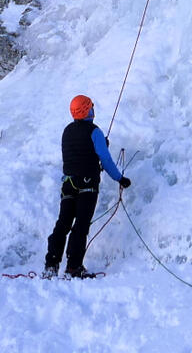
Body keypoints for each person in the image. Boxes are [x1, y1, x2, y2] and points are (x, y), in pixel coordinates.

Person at [45, 94, 130, 278]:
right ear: (88, 110)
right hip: (88, 185)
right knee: (81, 226)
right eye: (91, 106)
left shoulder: (67, 131)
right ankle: (73, 267)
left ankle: (51, 265)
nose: (93, 109)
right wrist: (120, 178)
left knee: (63, 224)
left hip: (68, 184)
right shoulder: (95, 131)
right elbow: (105, 159)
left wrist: (97, 146)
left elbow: (76, 153)